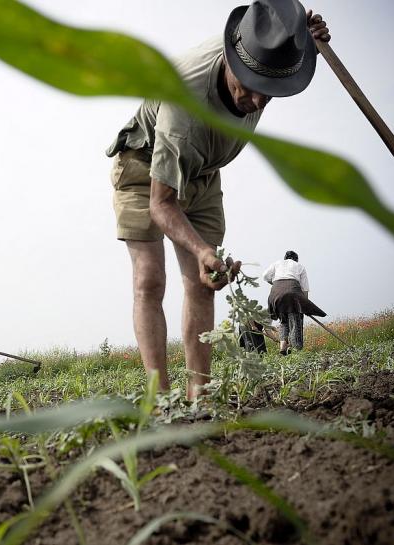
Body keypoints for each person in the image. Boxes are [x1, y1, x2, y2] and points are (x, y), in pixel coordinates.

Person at [105, 0, 330, 398]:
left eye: (269, 93)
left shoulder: (266, 53)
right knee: (150, 280)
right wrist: (201, 249)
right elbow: (161, 203)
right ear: (231, 61)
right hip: (145, 169)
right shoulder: (183, 108)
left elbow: (280, 32)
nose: (258, 103)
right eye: (253, 87)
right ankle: (160, 398)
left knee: (203, 282)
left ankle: (199, 394)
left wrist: (303, 41)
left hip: (203, 173)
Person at [263, 250, 325, 354]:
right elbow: (305, 289)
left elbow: (265, 276)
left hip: (276, 295)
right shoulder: (299, 266)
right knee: (296, 321)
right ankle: (295, 349)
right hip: (292, 295)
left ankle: (283, 347)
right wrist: (304, 306)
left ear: (285, 258)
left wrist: (274, 283)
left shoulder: (277, 264)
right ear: (296, 259)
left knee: (283, 321)